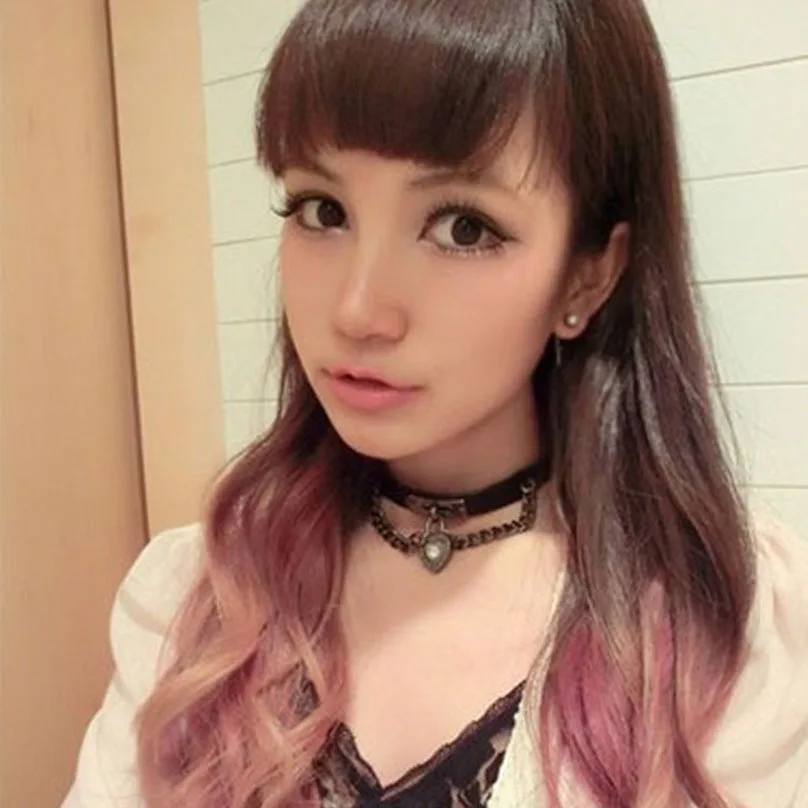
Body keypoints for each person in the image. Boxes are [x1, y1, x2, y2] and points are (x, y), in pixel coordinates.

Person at [62, 0, 808, 806]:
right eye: (323, 210)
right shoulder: (199, 603)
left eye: (462, 228)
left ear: (587, 274)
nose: (357, 309)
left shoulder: (721, 625)